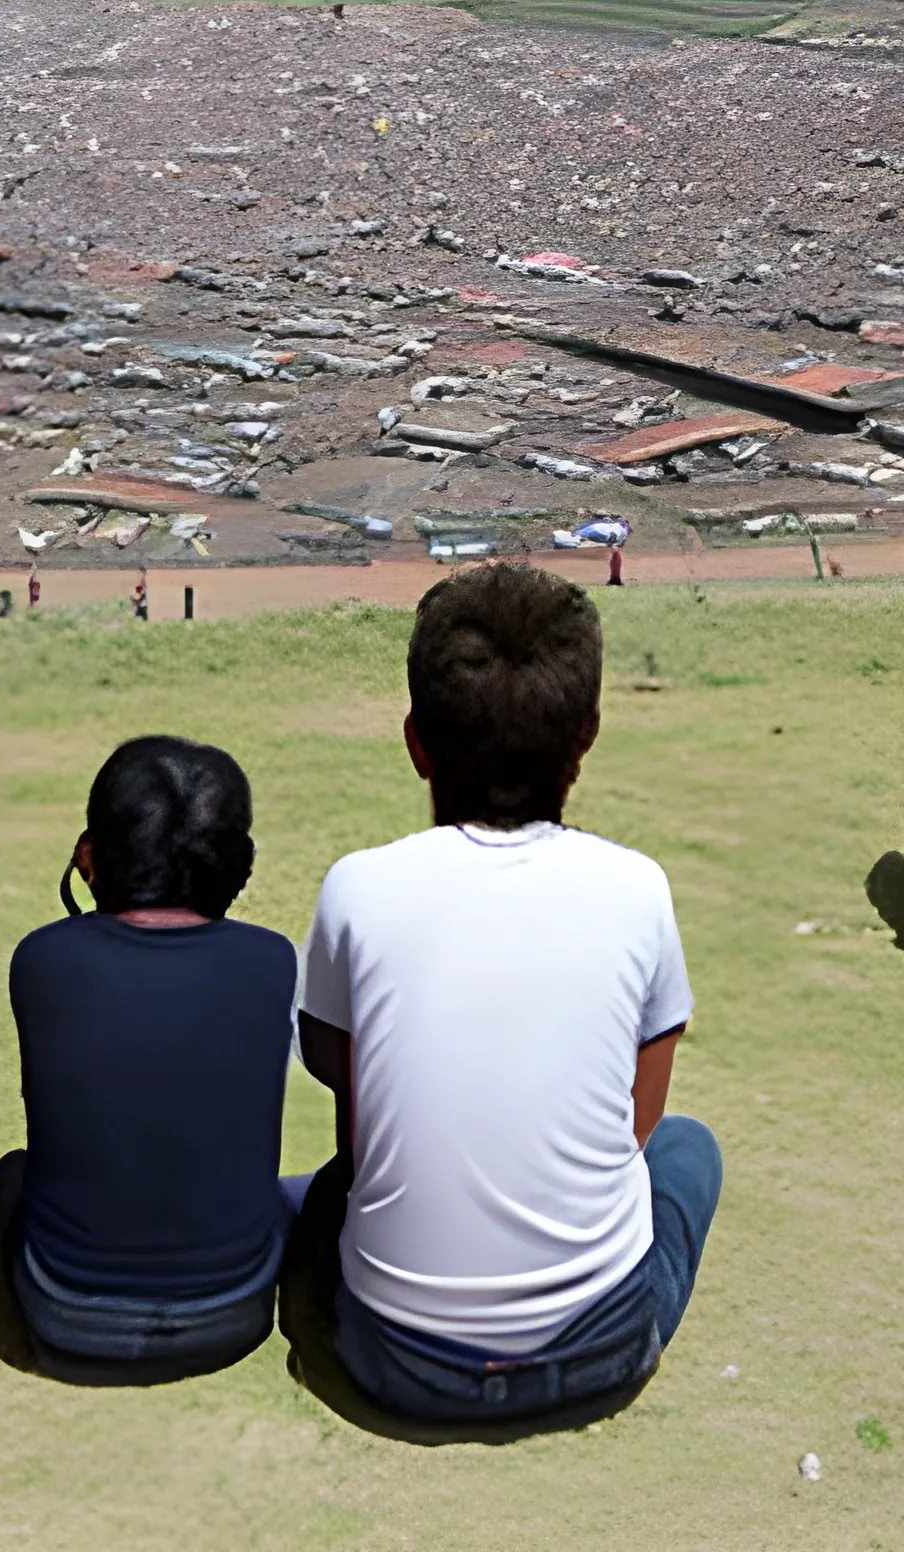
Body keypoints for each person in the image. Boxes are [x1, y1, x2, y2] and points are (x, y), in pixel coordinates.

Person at [283, 563, 718, 1431]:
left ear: (416, 742)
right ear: (584, 739)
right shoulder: (636, 886)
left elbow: (341, 1073)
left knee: (338, 1183)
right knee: (689, 1149)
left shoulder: (359, 888)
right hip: (604, 1347)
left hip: (393, 1358)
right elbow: (640, 1119)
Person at [0, 738, 296, 1383]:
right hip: (237, 1318)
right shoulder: (272, 961)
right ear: (241, 867)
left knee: (9, 1175)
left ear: (87, 859)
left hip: (61, 1316)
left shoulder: (44, 960)